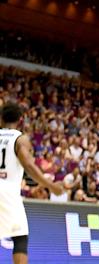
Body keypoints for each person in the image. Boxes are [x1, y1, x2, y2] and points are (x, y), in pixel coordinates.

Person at [0, 102, 64, 264]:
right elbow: (29, 165)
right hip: (7, 193)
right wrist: (51, 186)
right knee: (20, 237)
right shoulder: (20, 139)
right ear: (20, 120)